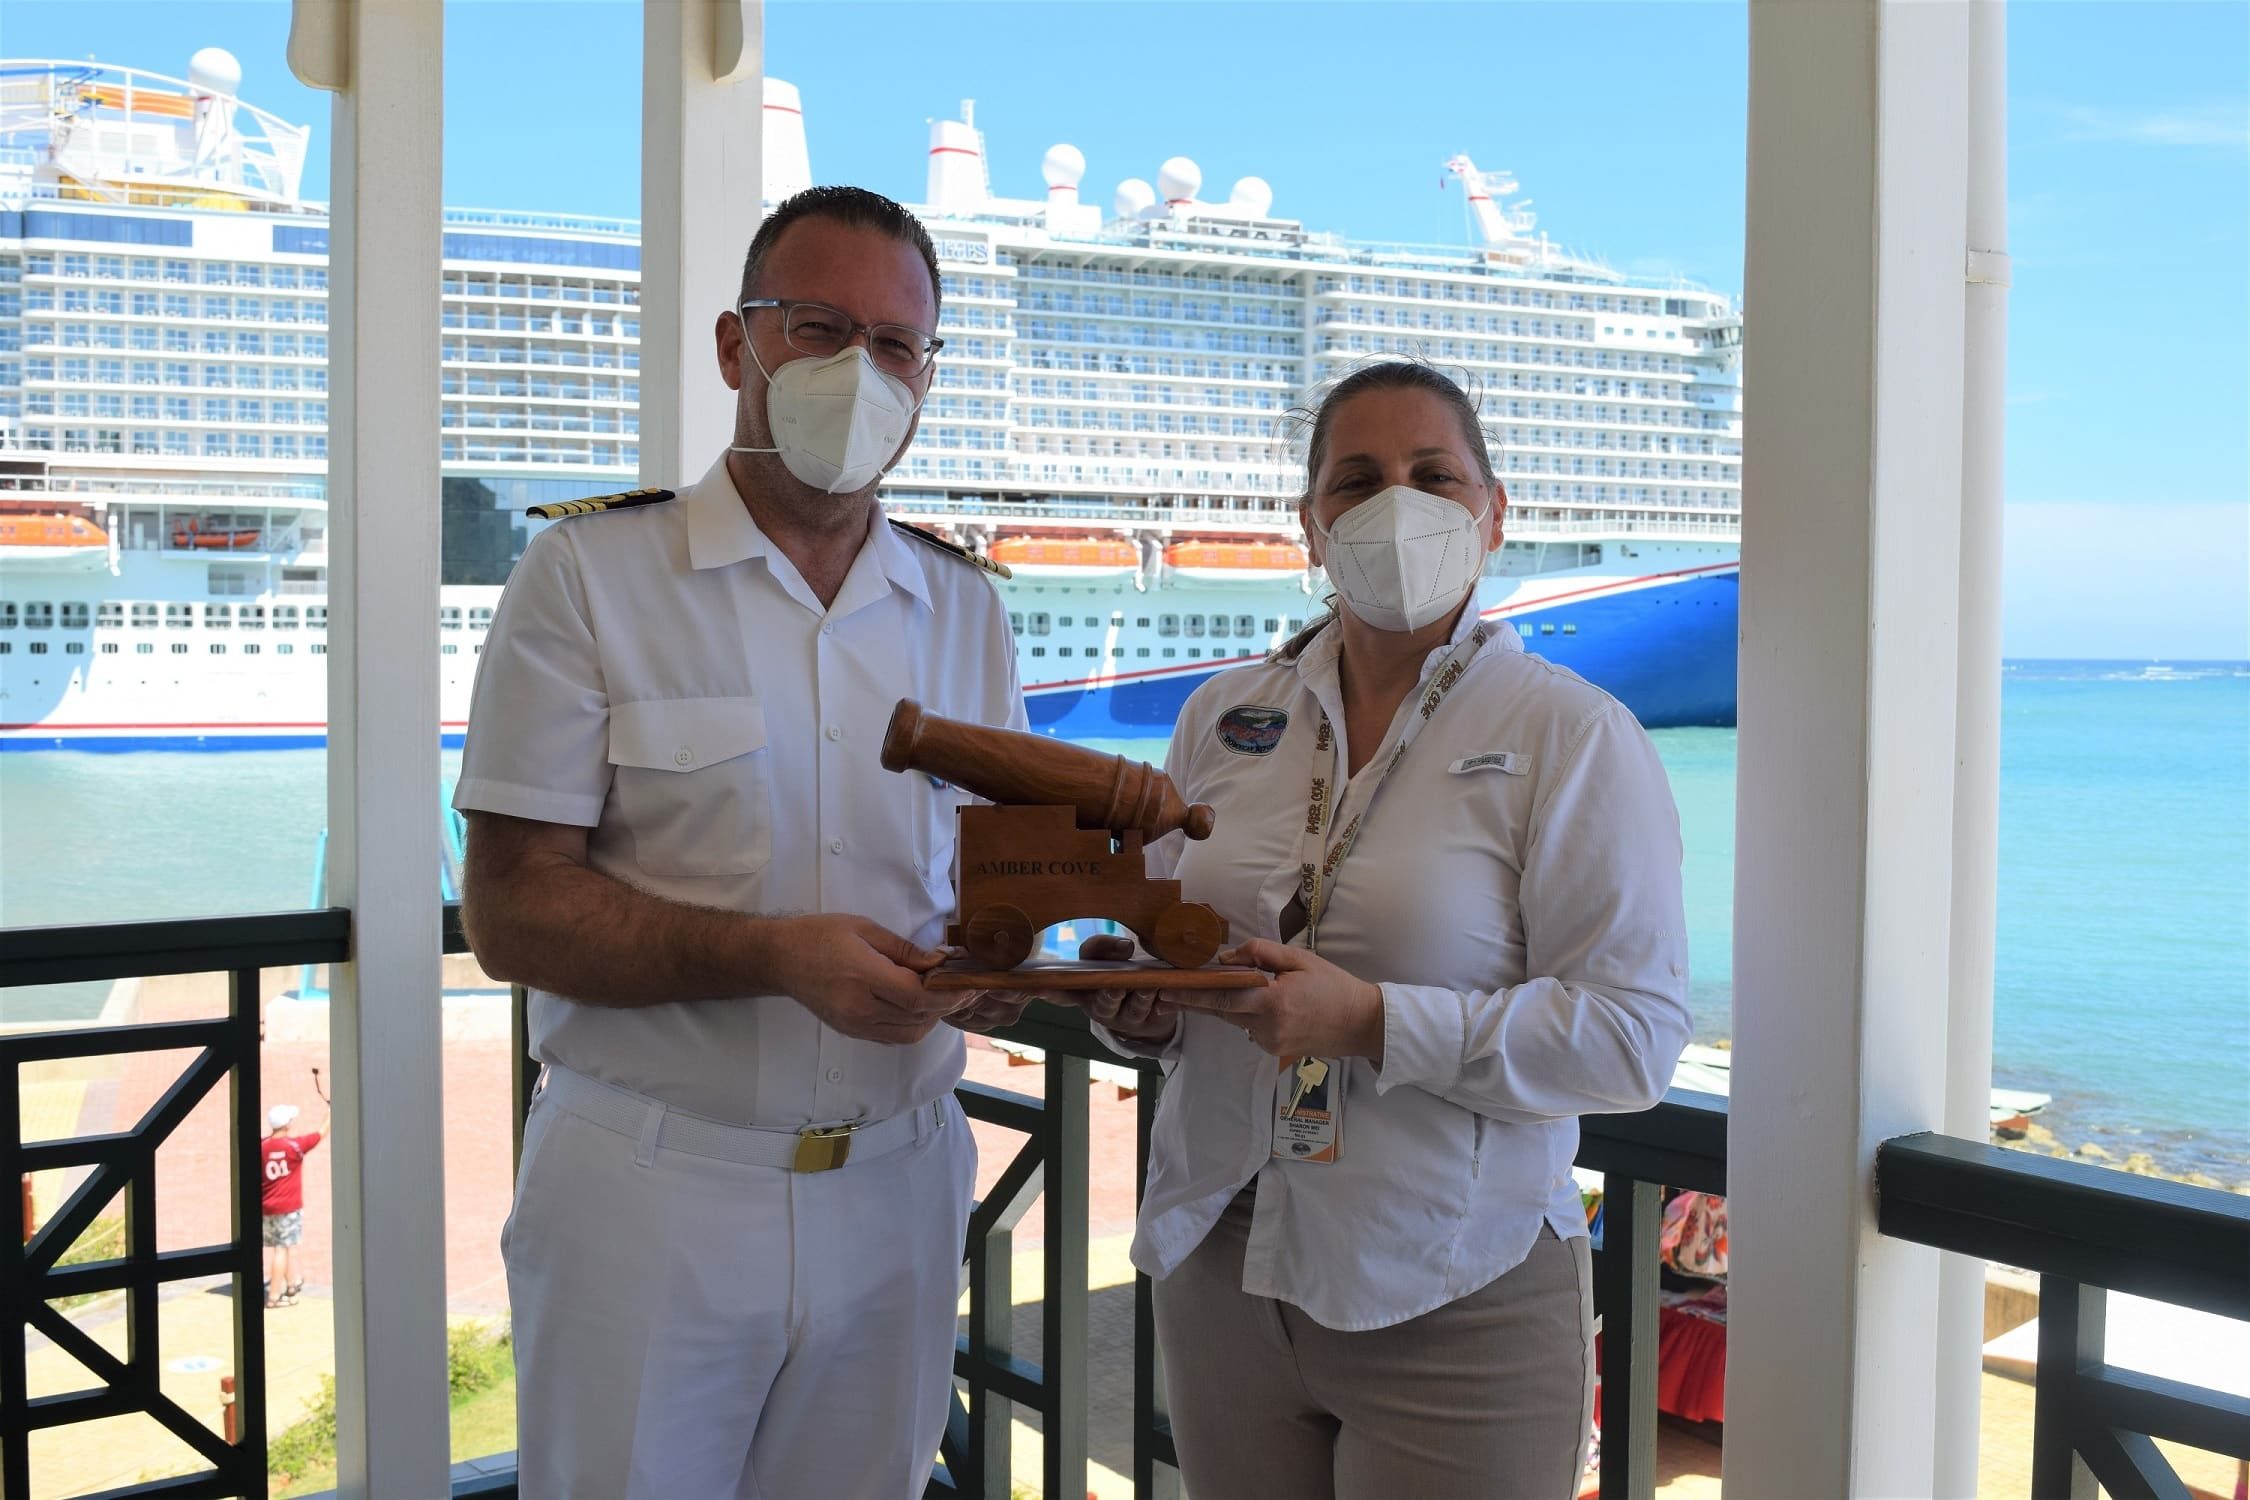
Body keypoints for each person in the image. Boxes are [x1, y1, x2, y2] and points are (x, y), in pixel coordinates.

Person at [454, 186, 1029, 1499]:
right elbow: (512, 911)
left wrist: (1008, 969)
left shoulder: (965, 611)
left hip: (901, 1188)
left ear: (926, 376)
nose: (858, 370)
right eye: (818, 327)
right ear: (737, 345)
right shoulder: (590, 576)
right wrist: (774, 955)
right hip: (652, 1194)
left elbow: (992, 887)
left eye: (895, 345)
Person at [1081, 361, 1692, 1498]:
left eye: (1434, 476)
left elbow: (1632, 1040)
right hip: (1221, 1255)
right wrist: (1143, 1011)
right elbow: (1174, 947)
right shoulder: (1222, 715)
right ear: (1311, 524)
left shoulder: (1573, 735)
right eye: (1357, 481)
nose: (1396, 504)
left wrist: (1370, 1022)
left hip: (1455, 1283)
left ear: (1493, 514)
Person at [259, 1100, 328, 1308]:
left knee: (284, 1246)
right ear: (287, 1124)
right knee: (281, 1249)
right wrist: (330, 1112)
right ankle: (274, 1296)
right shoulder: (294, 1146)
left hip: (266, 1207)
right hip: (288, 1208)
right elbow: (320, 1134)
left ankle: (291, 1284)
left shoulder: (261, 1146)